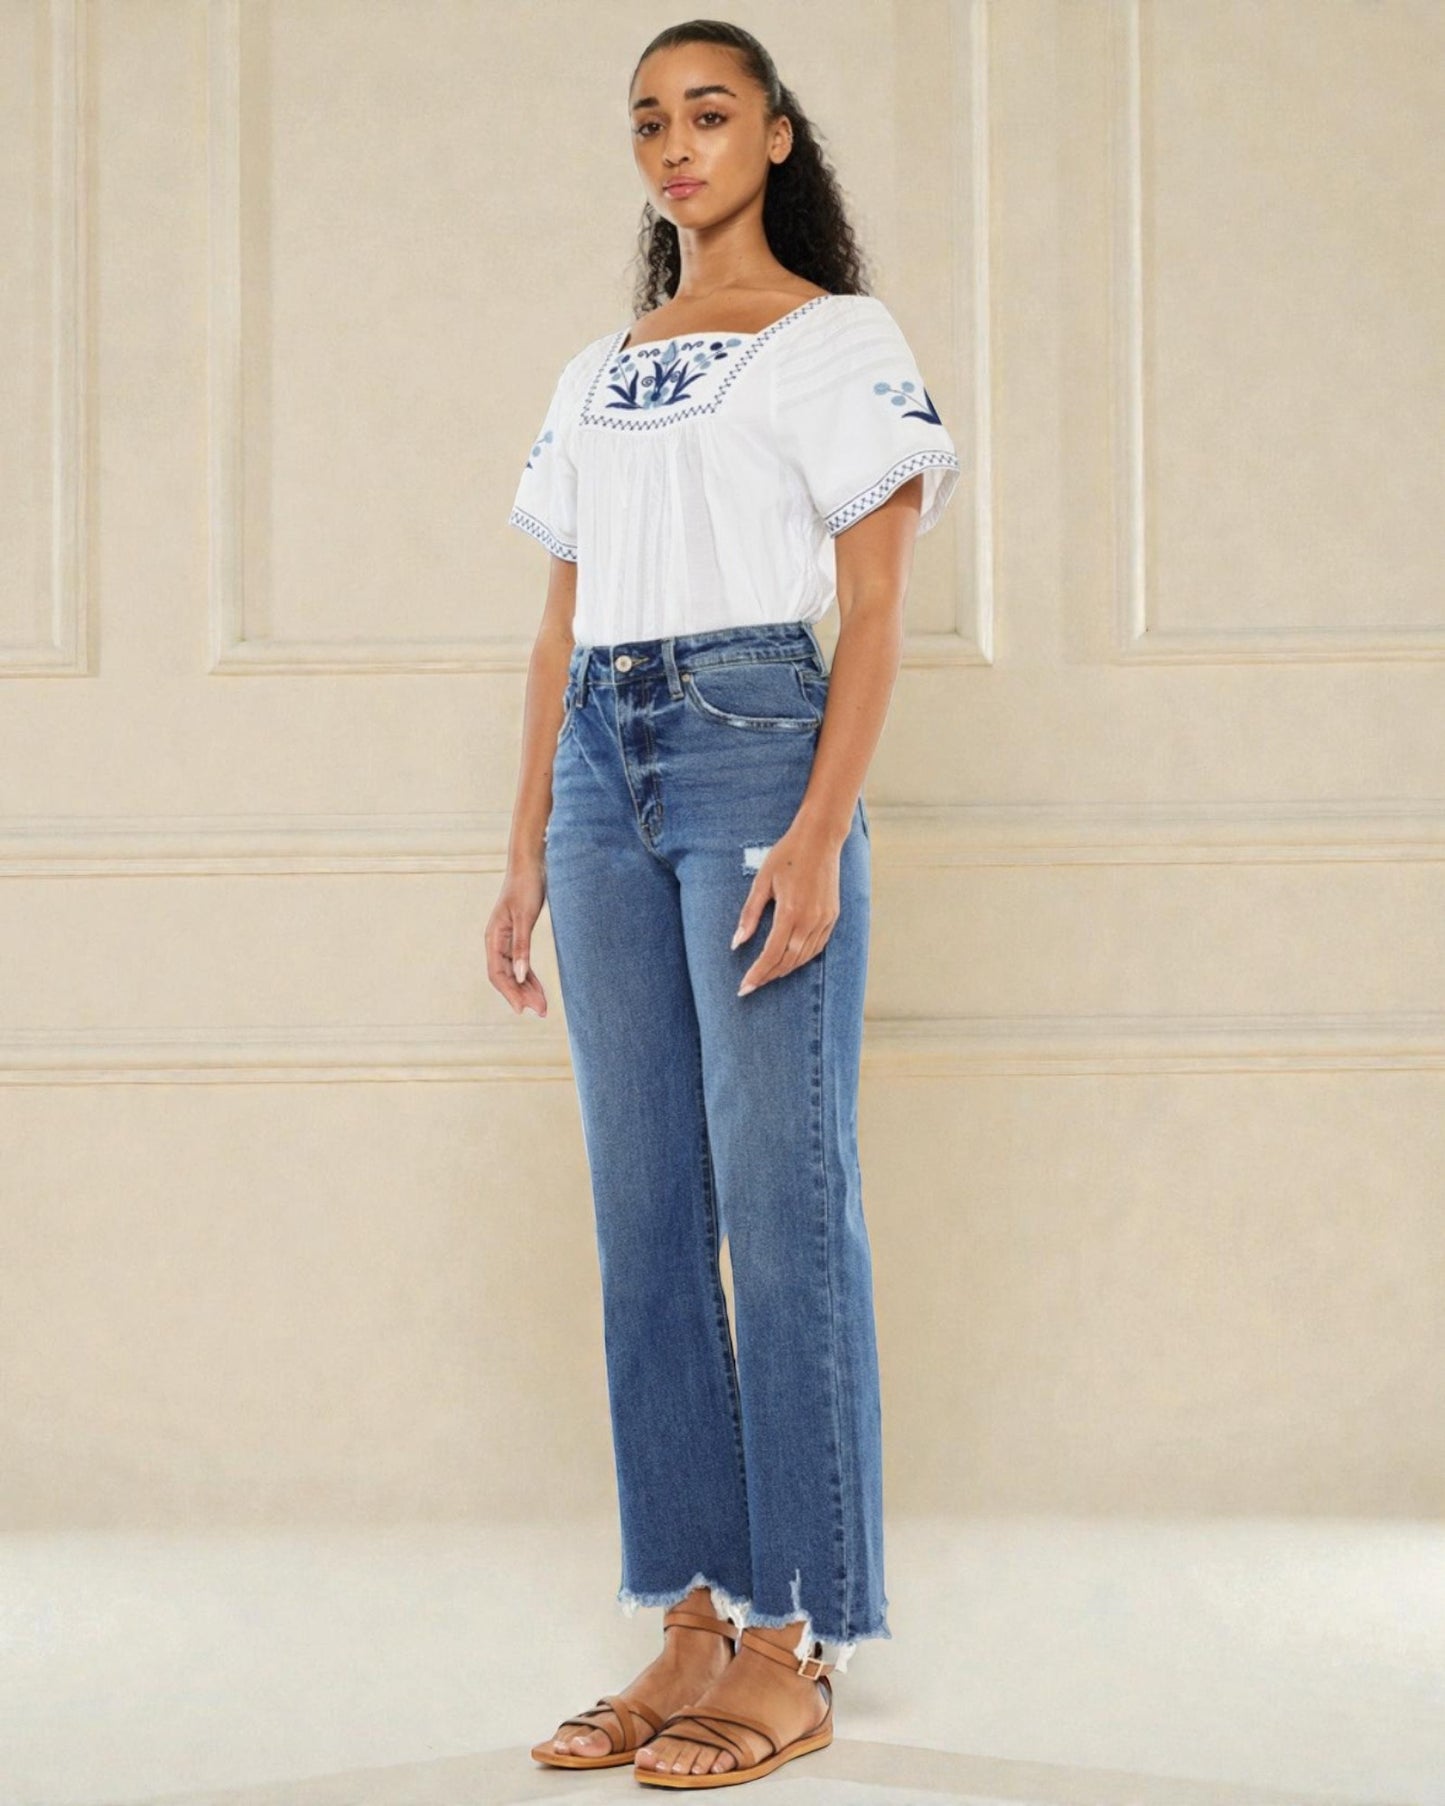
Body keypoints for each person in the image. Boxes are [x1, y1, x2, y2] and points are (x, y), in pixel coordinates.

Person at [490, 20, 960, 1790]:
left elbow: (879, 604)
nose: (674, 147)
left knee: (781, 1199)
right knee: (644, 1214)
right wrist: (527, 843)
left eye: (707, 114)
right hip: (607, 770)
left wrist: (819, 829)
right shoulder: (595, 367)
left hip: (759, 747)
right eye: (647, 124)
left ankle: (794, 1634)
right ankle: (688, 1610)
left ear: (773, 133)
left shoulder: (842, 341)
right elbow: (555, 624)